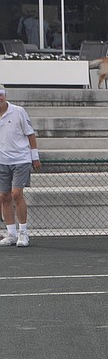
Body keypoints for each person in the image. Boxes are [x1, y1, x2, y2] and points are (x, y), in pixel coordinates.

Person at [0, 86, 40, 247]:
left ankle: (23, 232)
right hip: (2, 161)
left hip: (21, 160)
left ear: (4, 96)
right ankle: (11, 233)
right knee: (3, 197)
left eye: (1, 95)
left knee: (16, 194)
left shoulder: (18, 111)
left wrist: (34, 157)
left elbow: (30, 134)